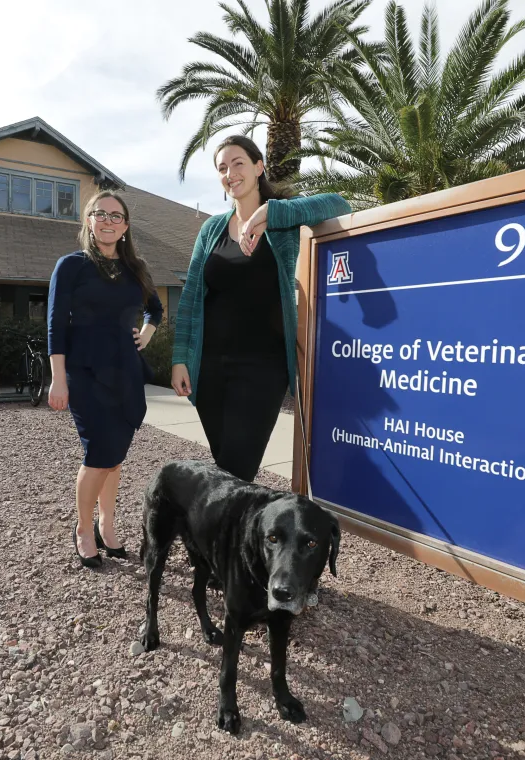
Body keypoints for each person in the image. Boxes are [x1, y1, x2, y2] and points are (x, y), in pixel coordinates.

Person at [170, 135, 352, 483]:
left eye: (238, 163)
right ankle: (229, 535)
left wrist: (273, 212)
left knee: (237, 468)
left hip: (262, 368)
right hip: (210, 366)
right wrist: (180, 356)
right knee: (227, 468)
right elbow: (192, 295)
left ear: (258, 167)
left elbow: (339, 205)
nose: (230, 173)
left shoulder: (283, 222)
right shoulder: (212, 229)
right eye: (222, 168)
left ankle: (222, 535)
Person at [47, 190, 163, 568]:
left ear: (126, 226)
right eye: (101, 214)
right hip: (84, 374)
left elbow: (155, 309)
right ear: (89, 221)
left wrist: (146, 333)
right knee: (99, 455)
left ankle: (107, 524)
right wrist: (57, 379)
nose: (109, 221)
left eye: (116, 216)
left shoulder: (136, 269)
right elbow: (55, 327)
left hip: (125, 373)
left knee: (115, 457)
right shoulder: (71, 266)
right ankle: (83, 528)